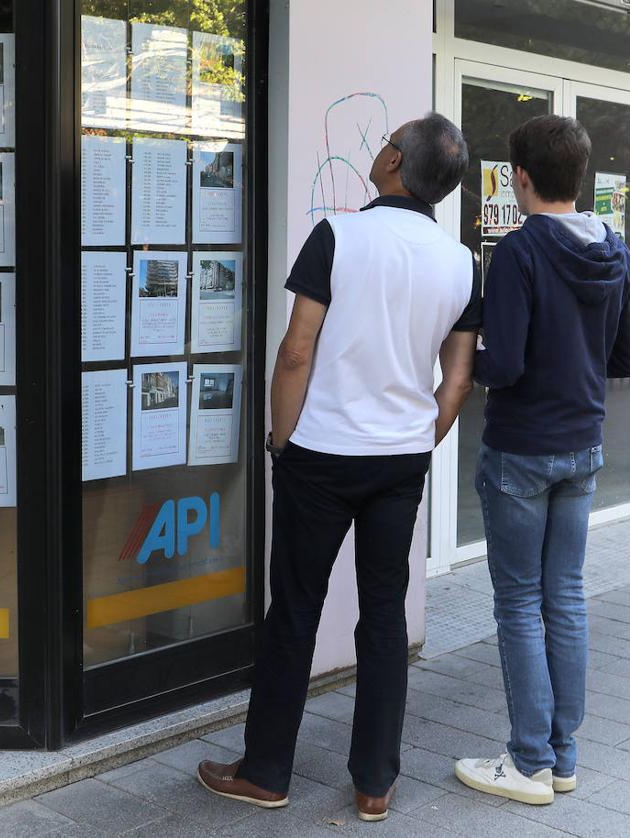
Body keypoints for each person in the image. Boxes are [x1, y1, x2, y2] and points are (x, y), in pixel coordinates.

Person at [196, 113, 480, 822]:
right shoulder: (462, 263)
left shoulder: (339, 236)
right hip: (399, 461)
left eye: (390, 139)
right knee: (384, 614)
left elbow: (297, 350)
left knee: (294, 610)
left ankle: (265, 772)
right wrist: (420, 440)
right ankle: (375, 784)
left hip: (320, 456)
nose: (382, 146)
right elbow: (458, 380)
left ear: (393, 163)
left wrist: (280, 442)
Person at [456, 115, 630, 805]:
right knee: (565, 597)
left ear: (520, 178)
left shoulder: (517, 253)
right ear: (582, 176)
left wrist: (456, 353)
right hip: (584, 449)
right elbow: (628, 357)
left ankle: (528, 760)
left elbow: (501, 364)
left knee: (519, 602)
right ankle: (563, 757)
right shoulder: (614, 250)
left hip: (521, 452)